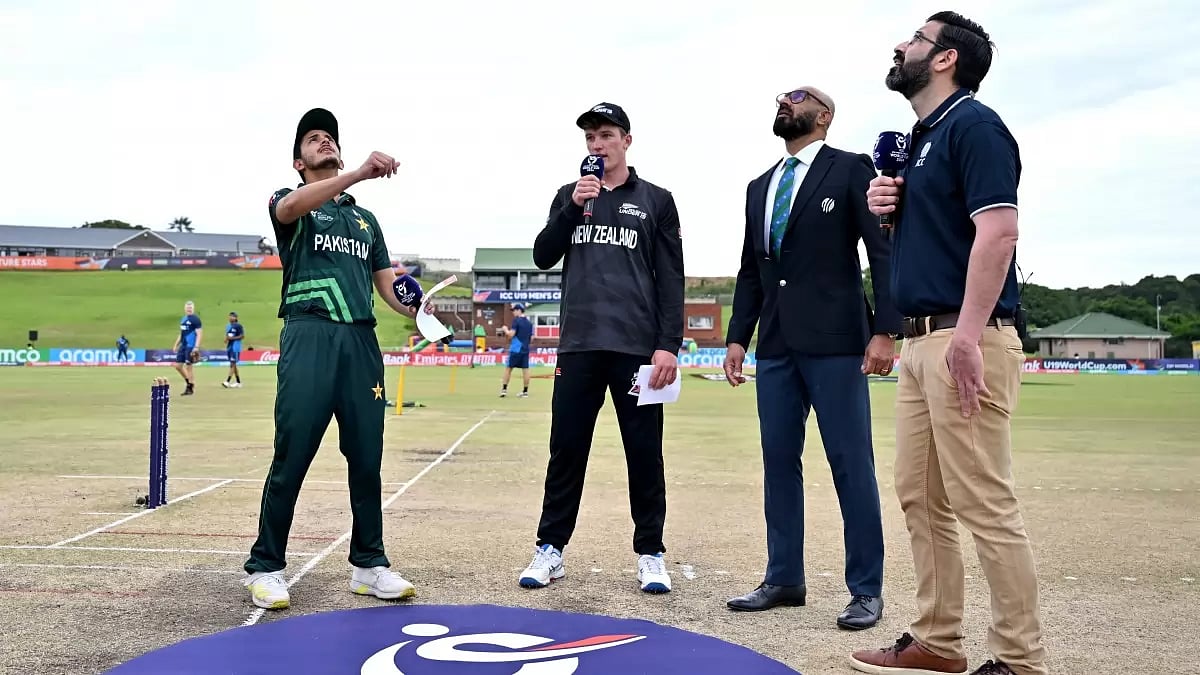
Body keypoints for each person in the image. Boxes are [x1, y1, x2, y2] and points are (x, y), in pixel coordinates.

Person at [850, 12, 1046, 675]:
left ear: (944, 60)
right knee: (919, 494)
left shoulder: (974, 126)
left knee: (983, 500)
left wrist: (966, 334)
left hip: (967, 338)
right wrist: (893, 205)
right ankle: (938, 639)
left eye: (915, 40)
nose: (901, 45)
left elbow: (999, 233)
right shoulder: (921, 138)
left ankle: (1020, 660)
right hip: (917, 340)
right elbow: (946, 235)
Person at [722, 85, 901, 630]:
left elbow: (881, 250)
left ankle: (866, 590)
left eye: (797, 98)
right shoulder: (760, 186)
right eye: (780, 98)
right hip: (775, 346)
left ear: (823, 116)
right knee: (779, 462)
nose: (784, 103)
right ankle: (783, 578)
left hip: (839, 343)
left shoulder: (851, 169)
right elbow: (753, 269)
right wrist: (737, 337)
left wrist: (885, 329)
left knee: (851, 464)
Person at [242, 107, 431, 611]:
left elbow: (388, 284)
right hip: (309, 335)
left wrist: (418, 306)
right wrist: (358, 173)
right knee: (294, 453)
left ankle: (369, 564)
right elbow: (290, 209)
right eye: (314, 139)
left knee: (367, 459)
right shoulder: (290, 201)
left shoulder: (366, 219)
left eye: (330, 136)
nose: (324, 141)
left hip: (360, 344)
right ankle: (266, 566)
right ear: (298, 161)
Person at [520, 102, 685, 594]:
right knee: (566, 451)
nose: (597, 145)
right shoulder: (569, 196)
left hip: (636, 349)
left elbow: (671, 277)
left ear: (626, 140)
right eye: (590, 137)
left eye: (606, 135)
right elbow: (544, 255)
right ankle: (550, 549)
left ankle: (651, 553)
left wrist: (668, 345)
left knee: (644, 454)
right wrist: (574, 204)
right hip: (579, 345)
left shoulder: (656, 199)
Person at [499, 303, 533, 397]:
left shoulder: (516, 321)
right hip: (525, 349)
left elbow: (511, 334)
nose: (513, 312)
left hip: (515, 349)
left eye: (514, 310)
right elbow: (532, 337)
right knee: (525, 370)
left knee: (508, 369)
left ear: (519, 310)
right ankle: (525, 392)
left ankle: (504, 390)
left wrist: (505, 330)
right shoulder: (529, 323)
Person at [172, 301, 202, 395]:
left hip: (191, 346)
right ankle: (189, 382)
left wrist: (196, 347)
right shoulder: (183, 319)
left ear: (193, 309)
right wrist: (176, 344)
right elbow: (181, 334)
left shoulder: (195, 319)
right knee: (178, 366)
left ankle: (190, 387)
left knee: (189, 366)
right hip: (183, 345)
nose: (189, 309)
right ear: (185, 308)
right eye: (187, 307)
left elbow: (199, 334)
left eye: (190, 308)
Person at [222, 311, 245, 388]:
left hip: (236, 347)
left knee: (233, 363)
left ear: (236, 318)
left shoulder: (238, 326)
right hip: (229, 347)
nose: (230, 318)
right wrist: (226, 339)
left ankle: (227, 381)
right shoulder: (228, 326)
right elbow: (228, 335)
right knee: (233, 365)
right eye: (230, 316)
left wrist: (232, 338)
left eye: (232, 316)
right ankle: (238, 382)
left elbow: (242, 336)